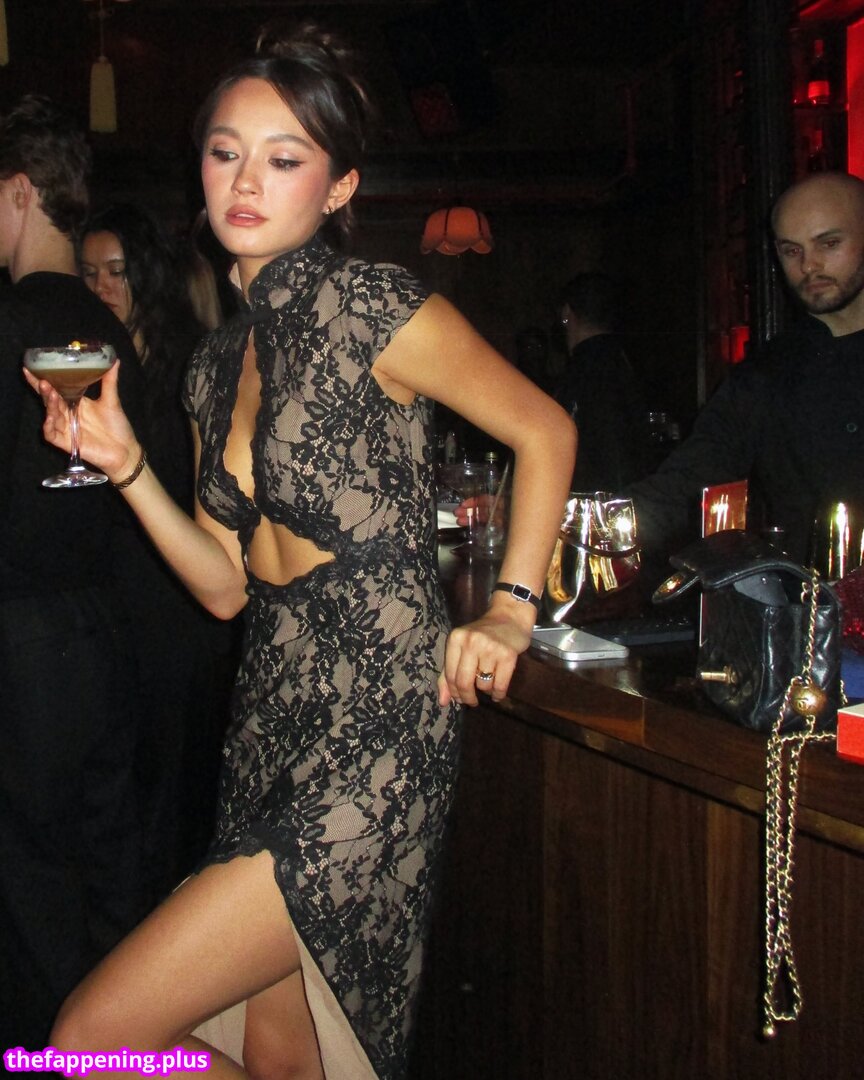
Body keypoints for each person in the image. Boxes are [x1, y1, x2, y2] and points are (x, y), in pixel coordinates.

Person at [34, 23, 576, 1080]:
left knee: (85, 1042)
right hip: (270, 718)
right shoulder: (212, 364)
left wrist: (511, 608)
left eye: (284, 159)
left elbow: (545, 429)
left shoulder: (370, 305)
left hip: (379, 719)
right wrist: (128, 468)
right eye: (225, 151)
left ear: (339, 188)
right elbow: (225, 589)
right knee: (286, 1061)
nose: (246, 180)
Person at [0, 96, 152, 1051]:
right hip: (109, 634)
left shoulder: (10, 322)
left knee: (27, 894)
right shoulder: (114, 331)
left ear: (18, 192)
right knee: (106, 881)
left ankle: (45, 1058)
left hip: (20, 645)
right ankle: (114, 1054)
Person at [79, 203, 238, 897]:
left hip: (183, 595)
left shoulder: (191, 365)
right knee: (129, 768)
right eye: (89, 273)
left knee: (177, 771)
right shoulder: (96, 365)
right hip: (118, 593)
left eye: (117, 271)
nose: (102, 286)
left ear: (147, 274)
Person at [628, 171, 864, 574]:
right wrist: (578, 524)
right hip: (811, 605)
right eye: (791, 250)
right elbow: (685, 482)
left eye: (829, 243)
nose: (809, 265)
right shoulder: (766, 374)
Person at [556, 272, 649, 491]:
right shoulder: (624, 362)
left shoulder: (587, 368)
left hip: (595, 503)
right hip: (632, 496)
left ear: (566, 313)